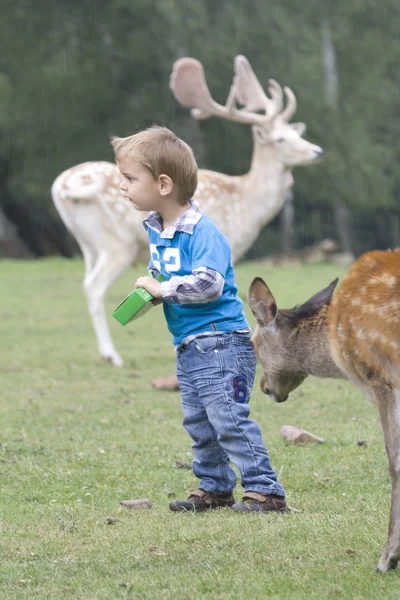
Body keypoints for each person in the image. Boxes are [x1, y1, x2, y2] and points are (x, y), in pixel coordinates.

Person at [111, 125, 287, 513]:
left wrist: (163, 289)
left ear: (162, 183)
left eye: (128, 178)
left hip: (221, 343)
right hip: (190, 345)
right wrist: (151, 292)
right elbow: (172, 280)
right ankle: (216, 488)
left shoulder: (202, 232)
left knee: (229, 419)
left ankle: (266, 491)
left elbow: (208, 284)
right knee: (199, 424)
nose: (121, 186)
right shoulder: (160, 231)